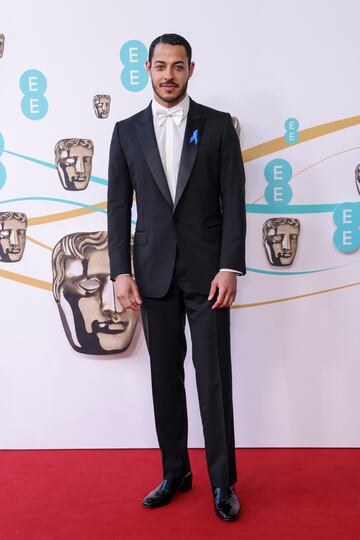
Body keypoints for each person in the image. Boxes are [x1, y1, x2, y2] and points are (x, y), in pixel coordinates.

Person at [107, 33, 246, 521]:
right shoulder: (126, 131)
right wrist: (120, 272)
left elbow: (233, 200)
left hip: (209, 275)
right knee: (164, 379)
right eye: (161, 65)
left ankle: (223, 483)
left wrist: (230, 266)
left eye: (179, 66)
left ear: (192, 69)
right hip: (151, 274)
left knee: (214, 379)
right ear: (147, 67)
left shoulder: (218, 127)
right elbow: (118, 206)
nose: (169, 75)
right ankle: (175, 472)